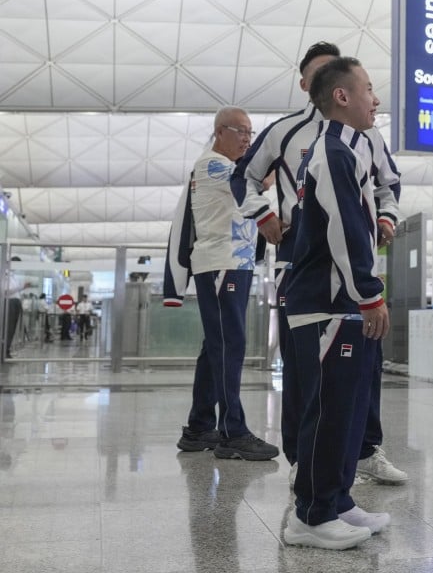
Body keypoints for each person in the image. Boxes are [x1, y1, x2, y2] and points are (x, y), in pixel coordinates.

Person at [231, 41, 405, 486]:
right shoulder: (284, 132)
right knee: (306, 366)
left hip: (355, 265)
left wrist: (385, 219)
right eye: (323, 72)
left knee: (364, 359)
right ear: (310, 84)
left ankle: (363, 450)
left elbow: (389, 185)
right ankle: (302, 461)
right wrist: (264, 215)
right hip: (301, 262)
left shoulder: (367, 134)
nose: (335, 77)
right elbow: (243, 177)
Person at [282, 56, 391, 550]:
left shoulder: (351, 149)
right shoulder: (333, 152)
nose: (376, 98)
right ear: (342, 97)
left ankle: (337, 499)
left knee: (348, 408)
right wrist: (370, 294)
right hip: (328, 301)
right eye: (368, 88)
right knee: (327, 410)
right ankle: (311, 514)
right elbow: (346, 230)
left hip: (340, 299)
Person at [164, 106, 279, 462]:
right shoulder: (213, 165)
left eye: (250, 131)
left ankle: (199, 427)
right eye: (240, 131)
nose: (247, 138)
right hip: (220, 266)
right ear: (219, 132)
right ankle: (234, 432)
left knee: (216, 346)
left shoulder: (229, 167)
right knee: (230, 344)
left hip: (234, 265)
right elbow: (248, 185)